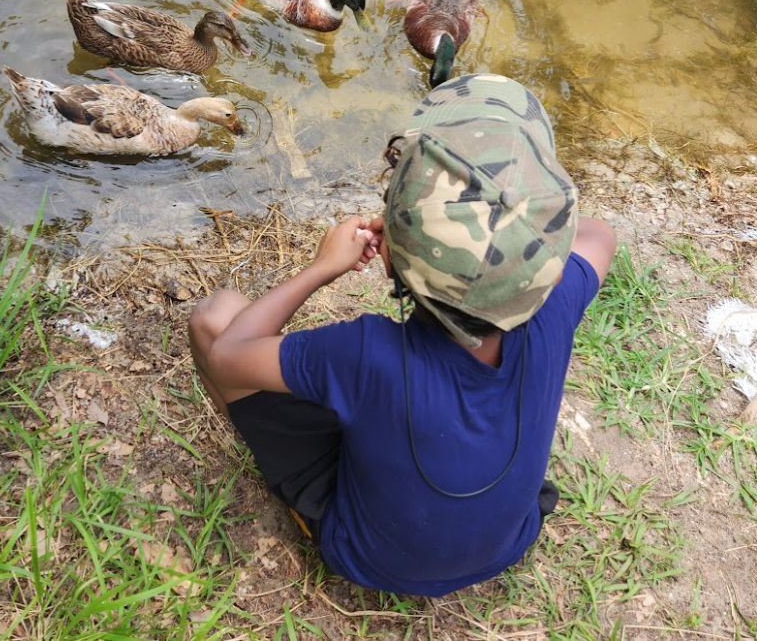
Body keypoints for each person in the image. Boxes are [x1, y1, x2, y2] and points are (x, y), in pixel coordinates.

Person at [188, 74, 617, 597]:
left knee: (215, 316)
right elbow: (599, 234)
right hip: (509, 541)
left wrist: (322, 268)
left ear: (388, 256)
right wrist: (519, 229)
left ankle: (291, 479)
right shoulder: (556, 307)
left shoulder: (365, 355)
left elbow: (227, 353)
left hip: (371, 557)